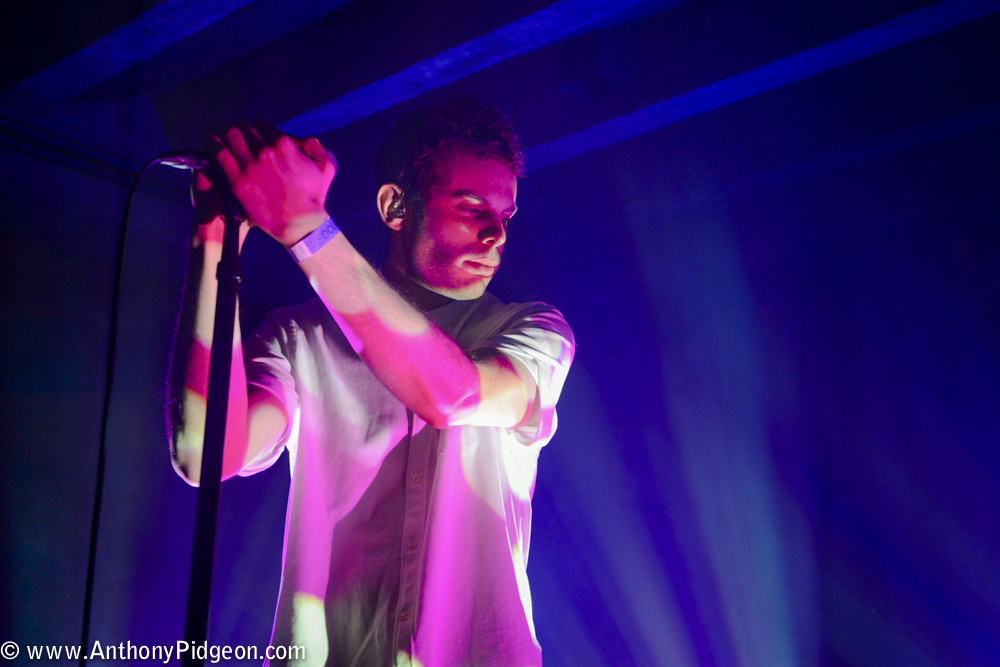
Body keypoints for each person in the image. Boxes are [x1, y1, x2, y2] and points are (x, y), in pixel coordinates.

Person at [167, 97, 574, 667]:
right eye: (470, 207)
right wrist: (213, 235)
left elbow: (452, 394)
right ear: (394, 206)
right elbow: (202, 454)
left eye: (503, 216)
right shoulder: (300, 337)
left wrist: (307, 227)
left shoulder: (531, 330)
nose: (494, 236)